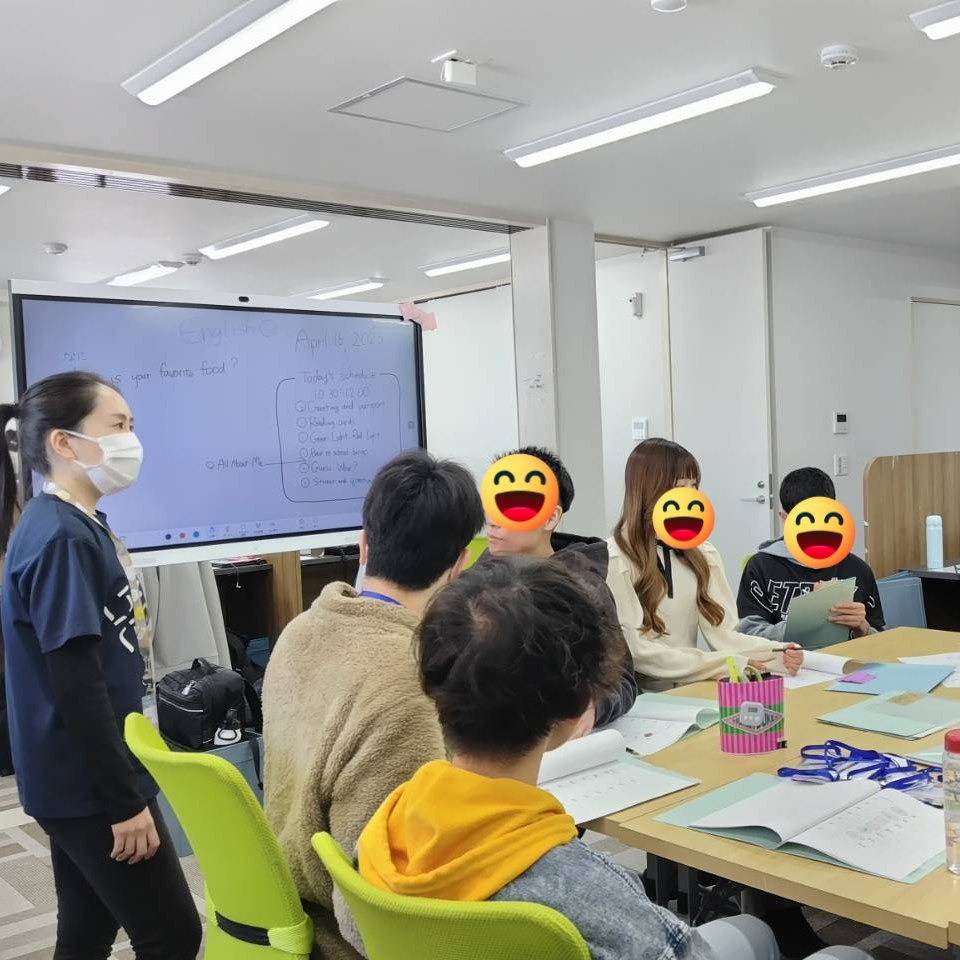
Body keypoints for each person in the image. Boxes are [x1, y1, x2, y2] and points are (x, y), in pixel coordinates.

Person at [354, 559, 870, 960]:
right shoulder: (586, 889)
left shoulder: (378, 837)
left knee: (753, 930)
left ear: (433, 683)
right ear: (579, 707)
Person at [0, 372, 201, 960]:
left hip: (72, 776)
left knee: (86, 930)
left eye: (131, 426)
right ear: (64, 443)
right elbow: (76, 684)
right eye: (116, 426)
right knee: (173, 935)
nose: (129, 440)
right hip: (89, 783)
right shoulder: (60, 538)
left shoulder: (70, 522)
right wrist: (124, 802)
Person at [262, 450, 484, 960]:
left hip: (287, 896)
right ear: (459, 565)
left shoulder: (297, 633)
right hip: (340, 938)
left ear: (364, 544)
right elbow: (381, 903)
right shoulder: (408, 687)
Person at [597, 438, 803, 691]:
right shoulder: (614, 558)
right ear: (647, 489)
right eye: (679, 486)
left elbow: (723, 633)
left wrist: (778, 652)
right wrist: (721, 664)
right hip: (643, 698)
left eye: (694, 486)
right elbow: (637, 651)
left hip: (694, 687)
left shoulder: (704, 554)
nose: (691, 496)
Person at [482, 444, 638, 729]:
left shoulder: (585, 588)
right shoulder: (472, 585)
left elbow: (623, 681)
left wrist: (593, 708)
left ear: (550, 517)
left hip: (565, 741)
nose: (493, 521)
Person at [737, 467, 885, 642]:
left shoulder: (858, 569)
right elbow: (747, 635)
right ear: (784, 518)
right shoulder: (761, 566)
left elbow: (880, 640)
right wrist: (804, 620)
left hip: (843, 658)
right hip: (782, 658)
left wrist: (863, 628)